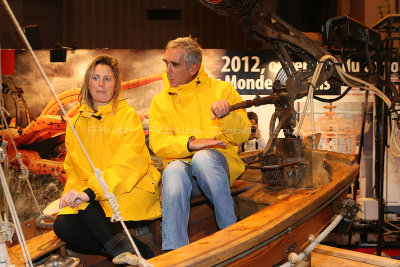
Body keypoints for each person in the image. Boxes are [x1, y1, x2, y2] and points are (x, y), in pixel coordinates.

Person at [53, 55, 161, 264]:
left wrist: (90, 192)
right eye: (95, 78)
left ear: (116, 85)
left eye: (107, 79)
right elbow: (73, 169)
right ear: (87, 82)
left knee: (90, 207)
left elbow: (128, 163)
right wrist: (71, 196)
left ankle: (132, 254)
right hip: (94, 194)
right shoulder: (74, 123)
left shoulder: (127, 116)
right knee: (63, 226)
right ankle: (134, 251)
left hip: (127, 188)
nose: (100, 84)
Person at [149, 36, 251, 251]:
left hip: (218, 166)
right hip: (184, 174)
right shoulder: (160, 102)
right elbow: (158, 143)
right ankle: (174, 253)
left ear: (194, 68)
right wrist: (190, 143)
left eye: (175, 64)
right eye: (165, 63)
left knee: (203, 158)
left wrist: (226, 115)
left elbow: (242, 135)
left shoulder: (222, 90)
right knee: (174, 169)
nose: (167, 70)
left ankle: (231, 234)